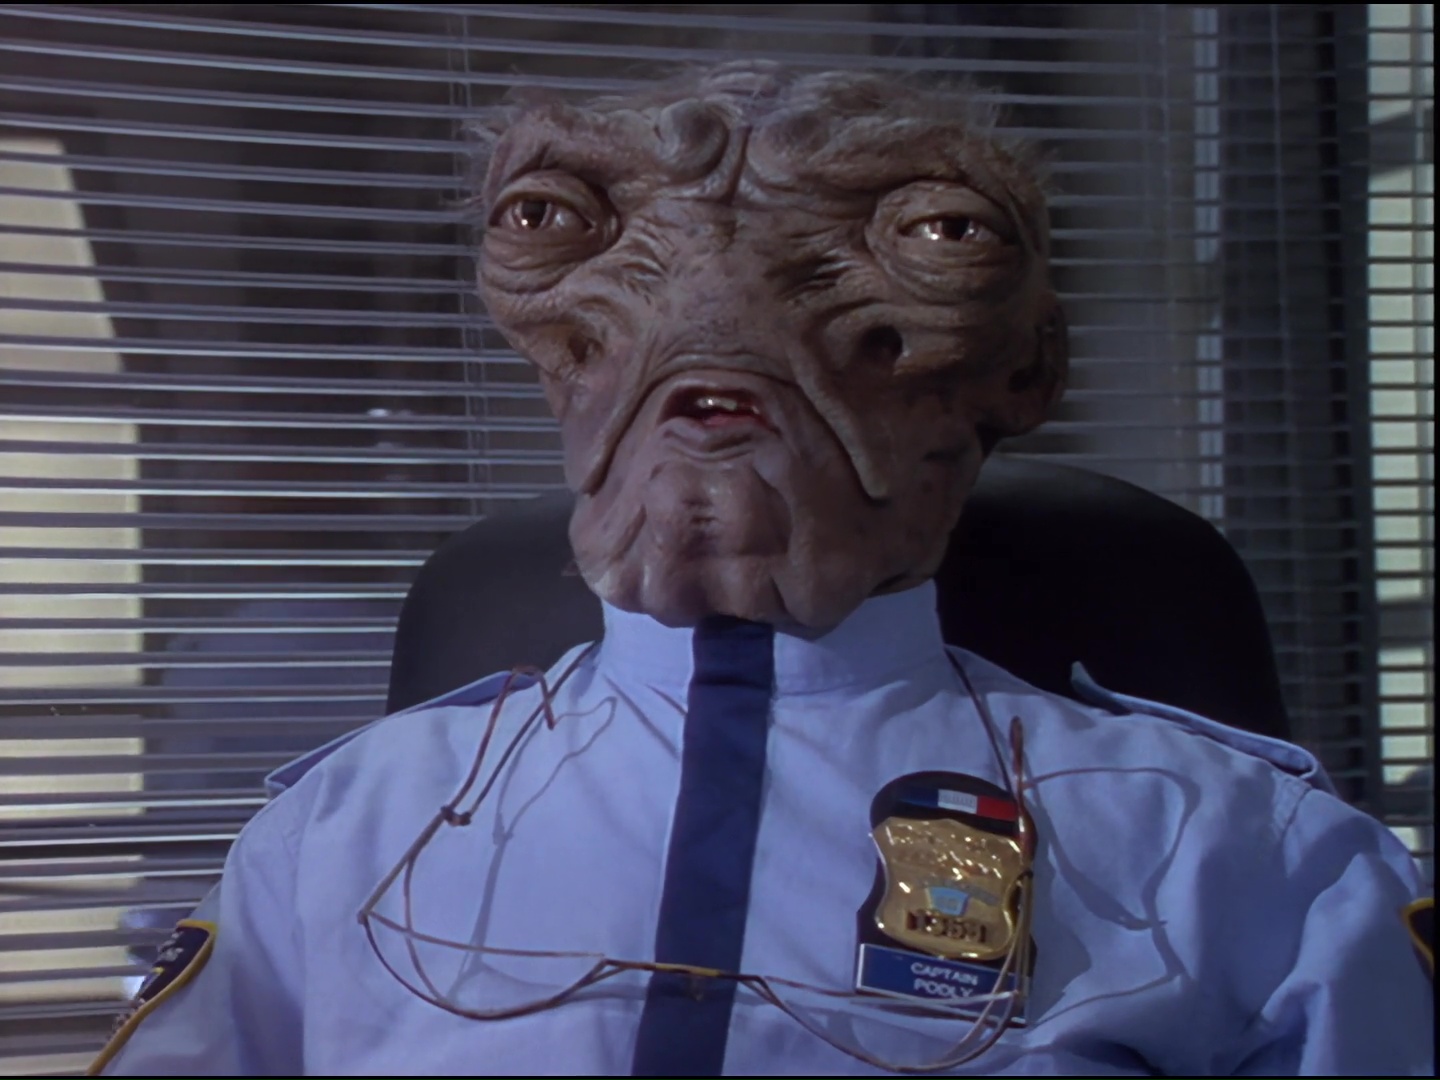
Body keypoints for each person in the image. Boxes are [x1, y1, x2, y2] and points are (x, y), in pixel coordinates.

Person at [93, 62, 1433, 1076]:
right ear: (562, 365)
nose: (719, 317)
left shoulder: (1243, 855)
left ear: (1024, 373)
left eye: (937, 235)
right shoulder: (344, 838)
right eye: (559, 222)